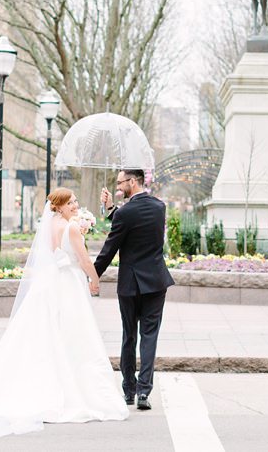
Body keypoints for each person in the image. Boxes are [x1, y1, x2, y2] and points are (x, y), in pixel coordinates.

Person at [0, 188, 128, 438]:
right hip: (68, 284)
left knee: (48, 334)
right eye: (71, 202)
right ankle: (74, 390)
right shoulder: (71, 227)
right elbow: (84, 260)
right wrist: (94, 280)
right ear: (59, 205)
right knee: (73, 334)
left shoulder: (51, 224)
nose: (76, 205)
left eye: (76, 201)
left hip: (51, 283)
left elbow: (55, 252)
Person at [95, 169, 174, 411]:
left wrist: (92, 274)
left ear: (132, 181)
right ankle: (143, 393)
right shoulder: (159, 207)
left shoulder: (125, 212)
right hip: (156, 282)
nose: (118, 188)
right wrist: (112, 210)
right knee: (149, 337)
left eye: (120, 183)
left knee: (129, 336)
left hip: (130, 284)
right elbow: (136, 223)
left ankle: (128, 391)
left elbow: (110, 247)